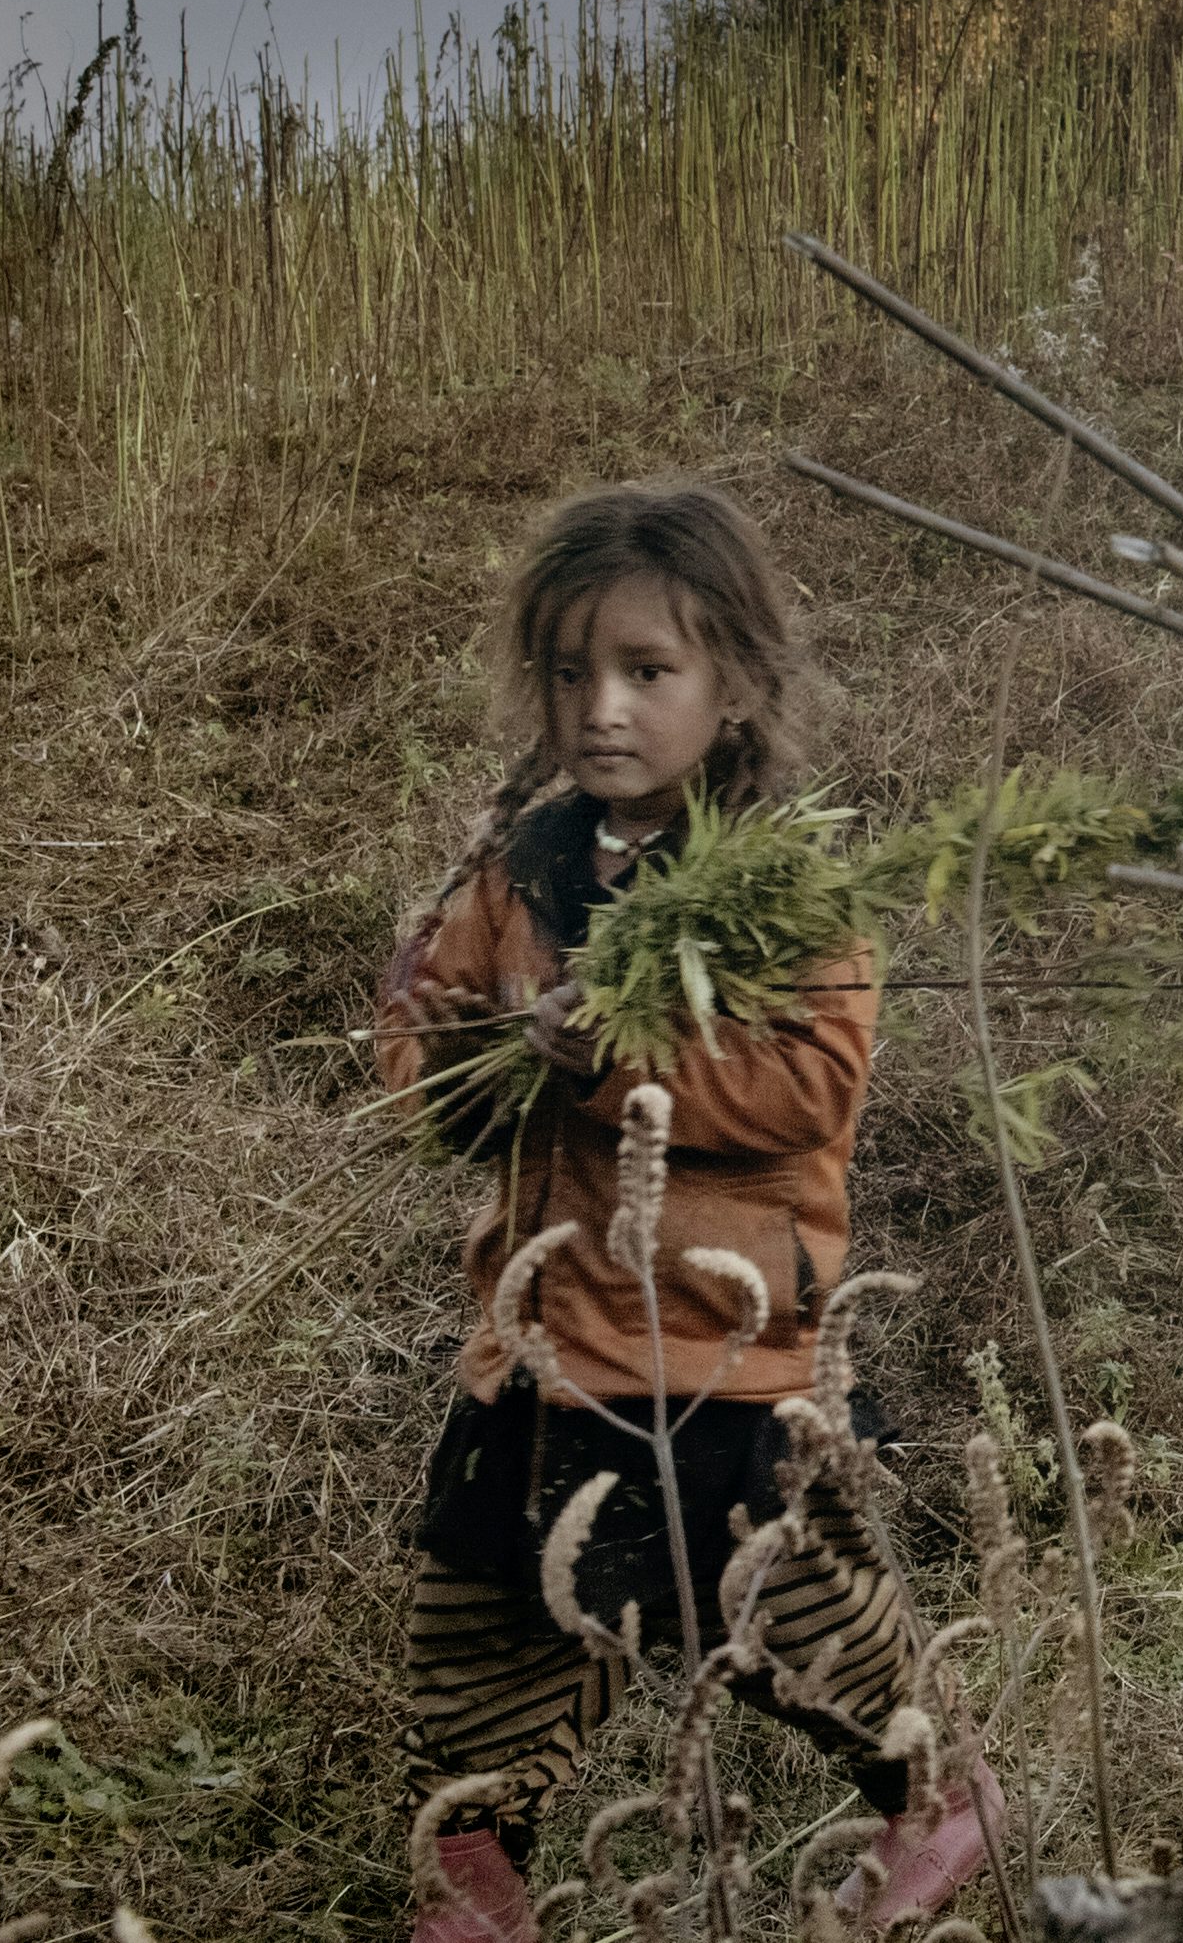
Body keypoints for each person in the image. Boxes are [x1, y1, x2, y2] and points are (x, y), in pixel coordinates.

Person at [373, 483, 991, 1941]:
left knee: (796, 1612)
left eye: (648, 672)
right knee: (483, 1617)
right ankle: (471, 1880)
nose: (604, 708)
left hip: (722, 1347)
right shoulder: (515, 868)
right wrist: (478, 1057)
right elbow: (417, 1039)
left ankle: (935, 1804)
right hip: (540, 1345)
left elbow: (808, 1088)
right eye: (571, 672)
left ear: (735, 686)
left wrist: (630, 1064)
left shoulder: (778, 884)